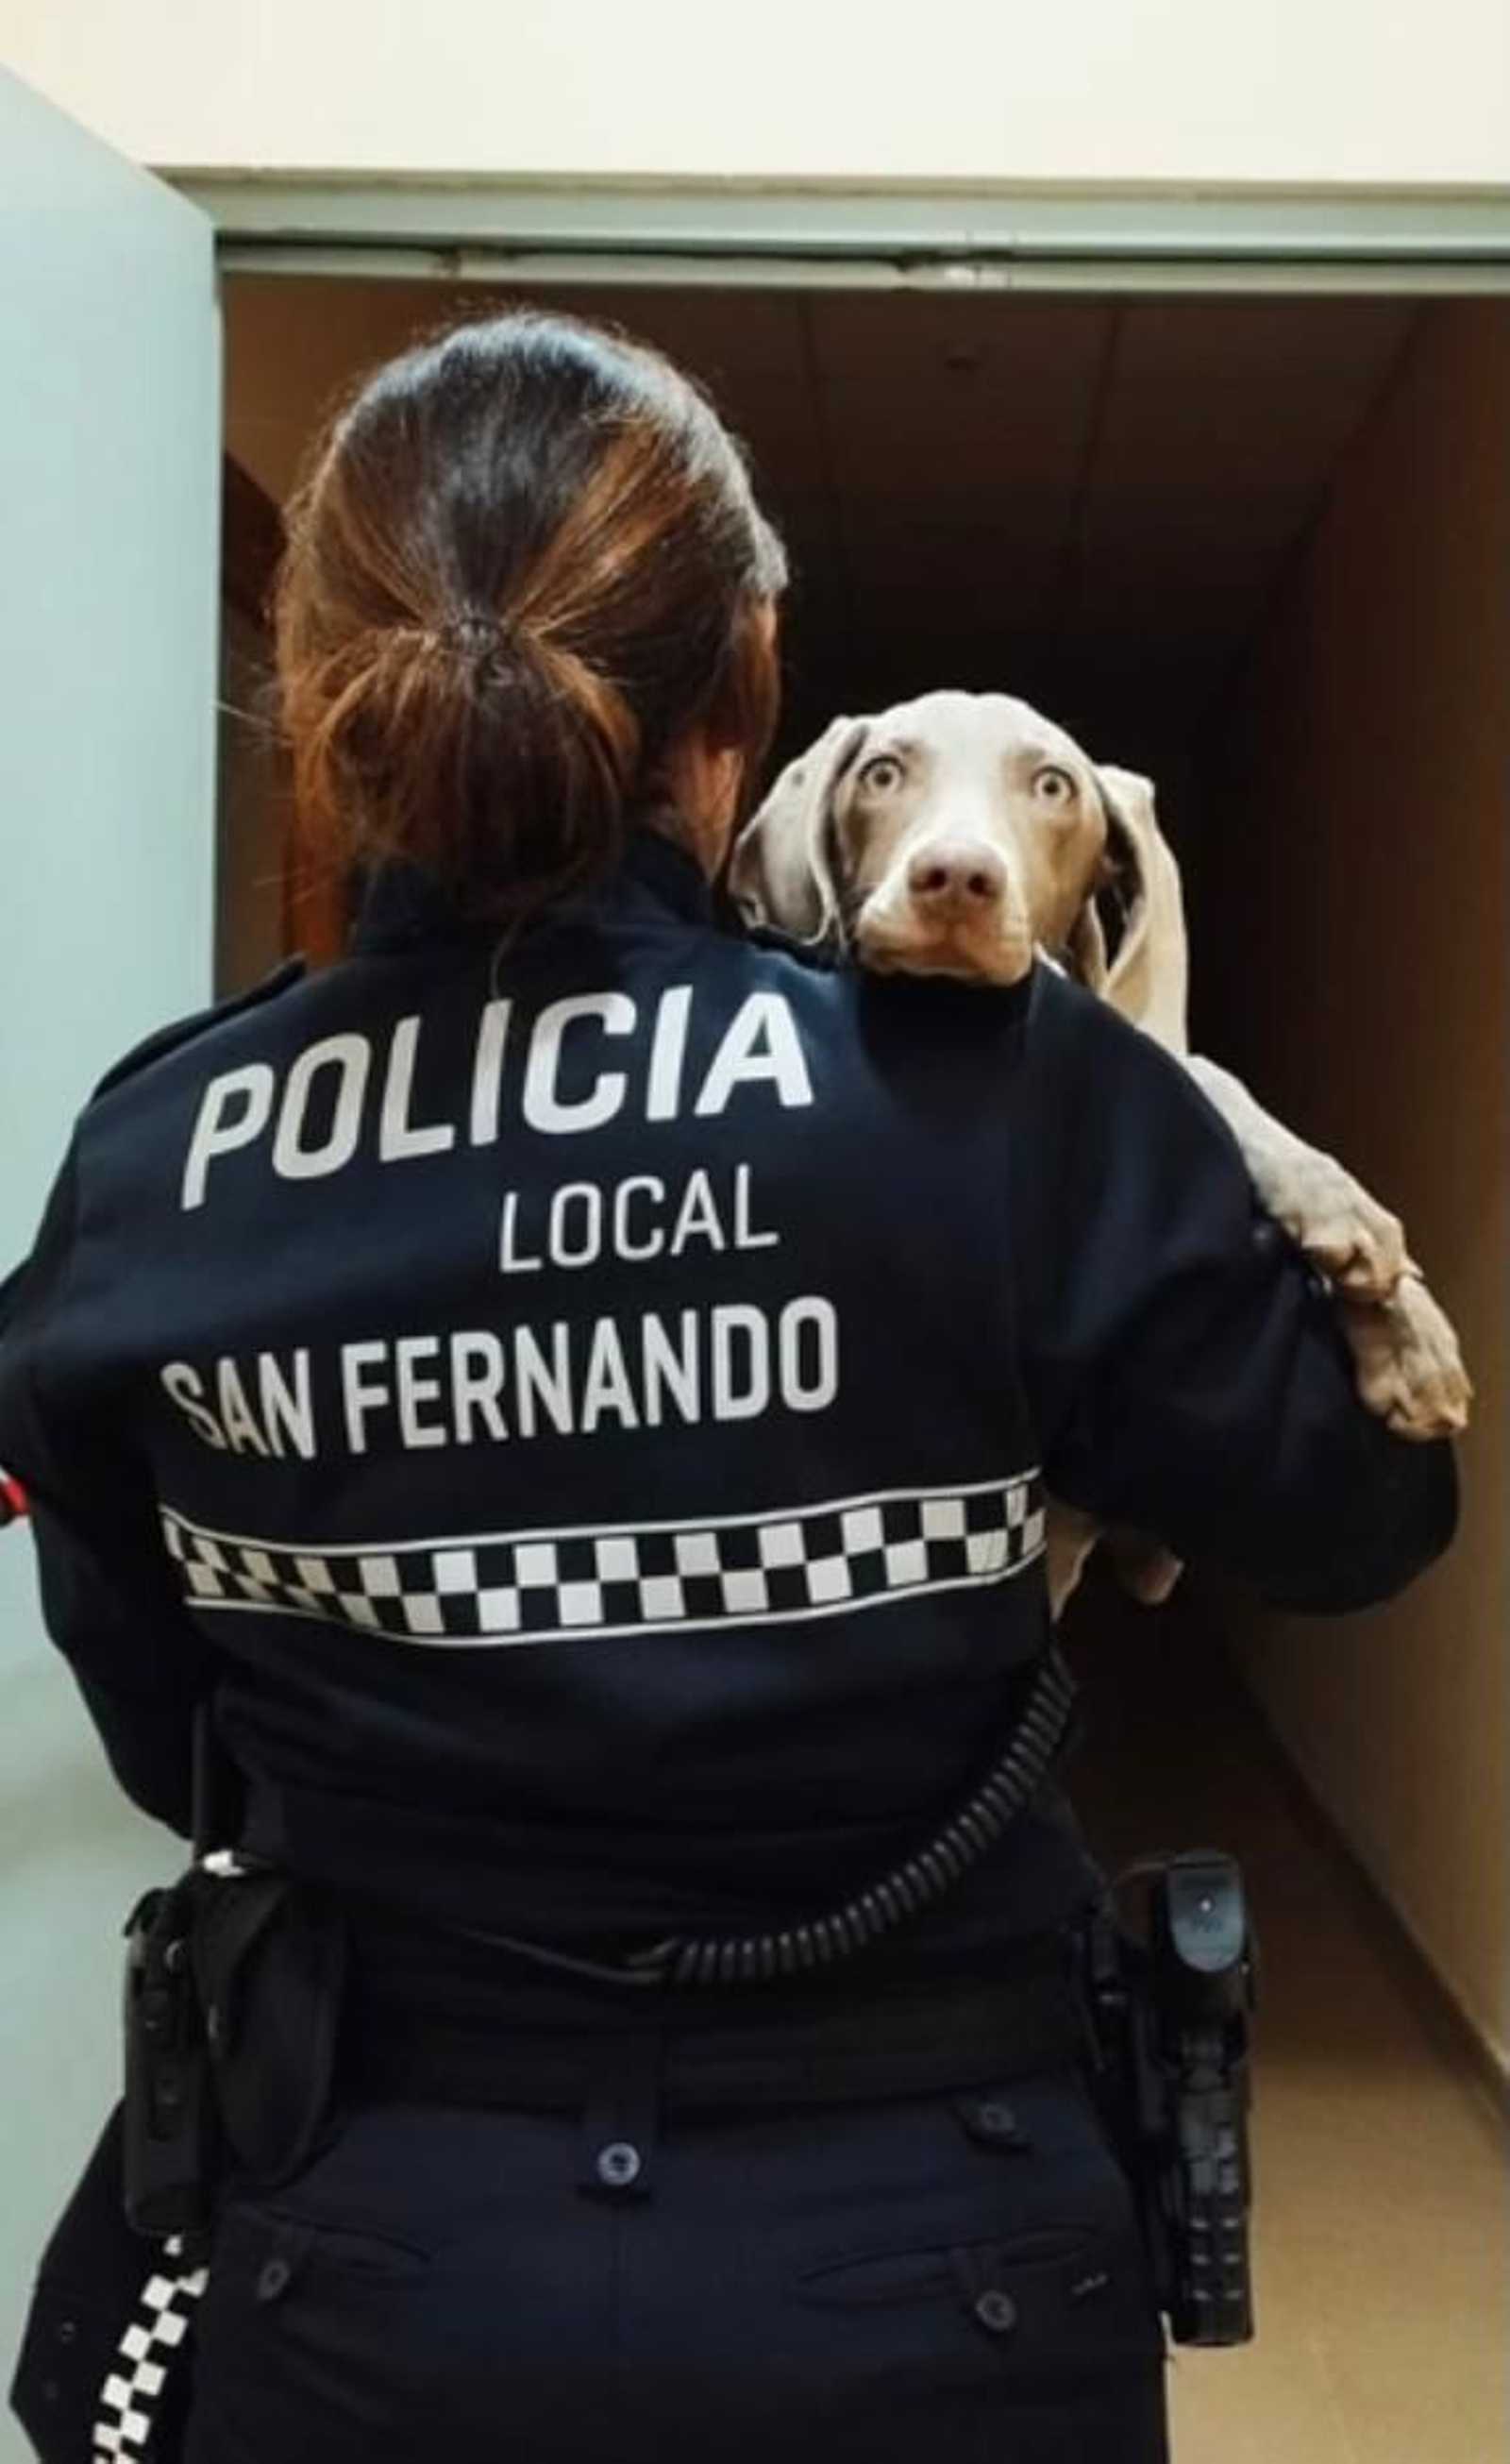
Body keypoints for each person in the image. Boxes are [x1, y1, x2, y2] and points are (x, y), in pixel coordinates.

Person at [0, 311, 1454, 2464]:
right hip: (940, 2265)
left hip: (365, 2256)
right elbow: (1355, 1509)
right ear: (739, 696)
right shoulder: (1002, 1094)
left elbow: (165, 1727)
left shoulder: (157, 1154)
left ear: (327, 697)